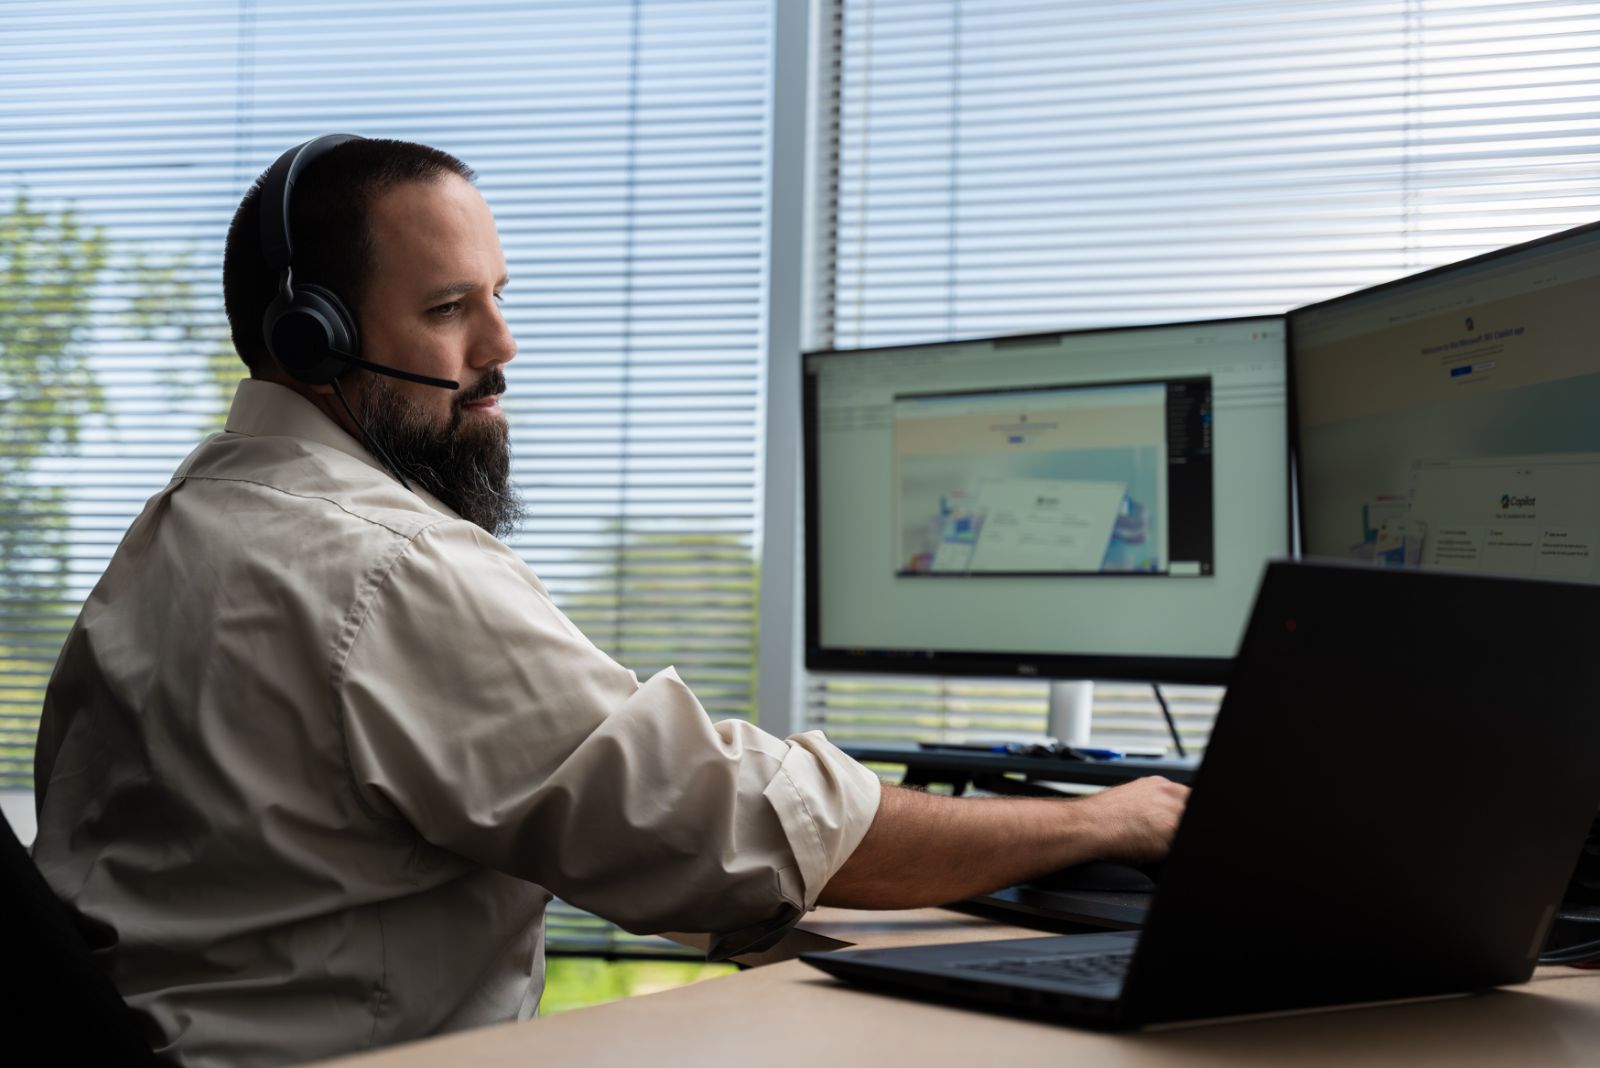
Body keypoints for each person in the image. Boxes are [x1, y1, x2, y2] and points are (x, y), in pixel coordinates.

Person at [30, 136, 1189, 1068]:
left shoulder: (180, 530)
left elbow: (615, 816)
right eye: (447, 311)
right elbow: (725, 829)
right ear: (311, 342)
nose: (502, 346)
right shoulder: (376, 565)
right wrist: (1112, 819)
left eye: (499, 296)